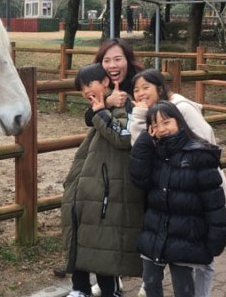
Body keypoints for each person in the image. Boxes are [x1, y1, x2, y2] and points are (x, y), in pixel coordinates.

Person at [130, 69, 226, 297]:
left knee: (187, 284)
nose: (141, 93)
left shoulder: (193, 144)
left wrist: (214, 240)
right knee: (152, 282)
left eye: (146, 87)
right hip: (160, 230)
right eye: (136, 89)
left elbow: (212, 197)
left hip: (188, 231)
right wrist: (143, 131)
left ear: (159, 88)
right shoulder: (156, 149)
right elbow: (139, 174)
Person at [62, 63, 145, 297]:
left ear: (105, 82)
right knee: (85, 237)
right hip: (91, 187)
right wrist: (100, 109)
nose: (86, 91)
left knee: (103, 243)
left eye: (89, 84)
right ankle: (80, 288)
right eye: (81, 89)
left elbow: (123, 138)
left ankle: (108, 291)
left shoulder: (124, 104)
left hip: (108, 189)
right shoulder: (102, 106)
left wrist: (101, 112)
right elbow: (92, 119)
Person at [88, 38, 144, 297]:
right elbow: (89, 117)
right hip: (109, 166)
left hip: (139, 161)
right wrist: (109, 102)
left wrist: (129, 103)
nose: (112, 64)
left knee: (139, 220)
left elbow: (153, 111)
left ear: (127, 60)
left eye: (117, 58)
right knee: (111, 220)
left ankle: (148, 279)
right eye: (106, 60)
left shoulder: (141, 83)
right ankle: (112, 279)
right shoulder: (101, 87)